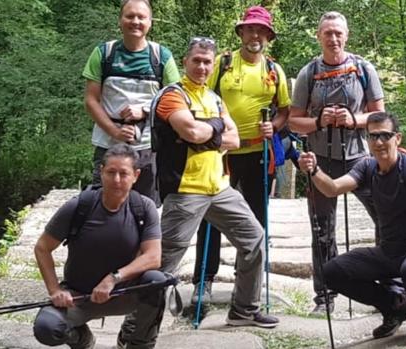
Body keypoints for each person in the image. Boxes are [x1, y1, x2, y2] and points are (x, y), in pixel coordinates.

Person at [147, 36, 279, 332]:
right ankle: (136, 333)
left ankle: (244, 310)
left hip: (220, 189)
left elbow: (233, 140)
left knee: (255, 239)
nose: (203, 67)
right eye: (197, 60)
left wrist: (209, 133)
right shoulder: (172, 96)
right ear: (185, 62)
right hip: (184, 192)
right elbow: (192, 131)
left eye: (208, 61)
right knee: (163, 266)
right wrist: (214, 129)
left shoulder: (213, 98)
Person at [298, 112, 406, 345]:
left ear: (398, 138)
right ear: (367, 140)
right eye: (373, 136)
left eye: (385, 135)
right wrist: (314, 170)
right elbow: (332, 188)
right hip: (389, 250)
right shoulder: (367, 167)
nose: (379, 142)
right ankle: (394, 306)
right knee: (330, 272)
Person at [191, 5, 291, 304]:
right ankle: (203, 282)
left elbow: (284, 110)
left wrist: (273, 126)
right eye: (250, 28)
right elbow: (201, 96)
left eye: (261, 30)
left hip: (258, 154)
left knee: (255, 219)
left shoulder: (274, 70)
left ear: (268, 36)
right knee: (210, 216)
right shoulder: (221, 64)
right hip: (221, 152)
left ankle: (247, 282)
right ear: (241, 32)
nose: (255, 34)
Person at [288, 11, 385, 315]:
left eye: (338, 33)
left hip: (361, 159)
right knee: (322, 229)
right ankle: (326, 294)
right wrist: (319, 120)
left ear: (347, 36)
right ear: (319, 36)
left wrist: (354, 119)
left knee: (384, 220)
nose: (333, 38)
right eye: (327, 33)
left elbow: (380, 116)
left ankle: (385, 288)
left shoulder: (364, 69)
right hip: (321, 161)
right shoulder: (308, 73)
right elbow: (293, 121)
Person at [33, 144, 167, 349]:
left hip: (123, 294)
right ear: (101, 171)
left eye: (124, 173)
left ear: (136, 176)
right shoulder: (80, 206)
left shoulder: (143, 207)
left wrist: (113, 278)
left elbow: (153, 257)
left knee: (156, 281)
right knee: (47, 327)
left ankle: (137, 342)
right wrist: (55, 290)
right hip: (78, 296)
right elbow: (43, 248)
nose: (117, 180)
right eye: (111, 172)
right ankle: (81, 339)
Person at [82, 0, 180, 206]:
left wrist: (145, 111)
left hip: (146, 147)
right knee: (102, 205)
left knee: (143, 207)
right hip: (107, 145)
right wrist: (114, 132)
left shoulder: (161, 56)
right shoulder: (104, 53)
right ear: (120, 21)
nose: (135, 21)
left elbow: (175, 100)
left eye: (141, 17)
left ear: (150, 22)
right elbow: (91, 100)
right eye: (130, 16)